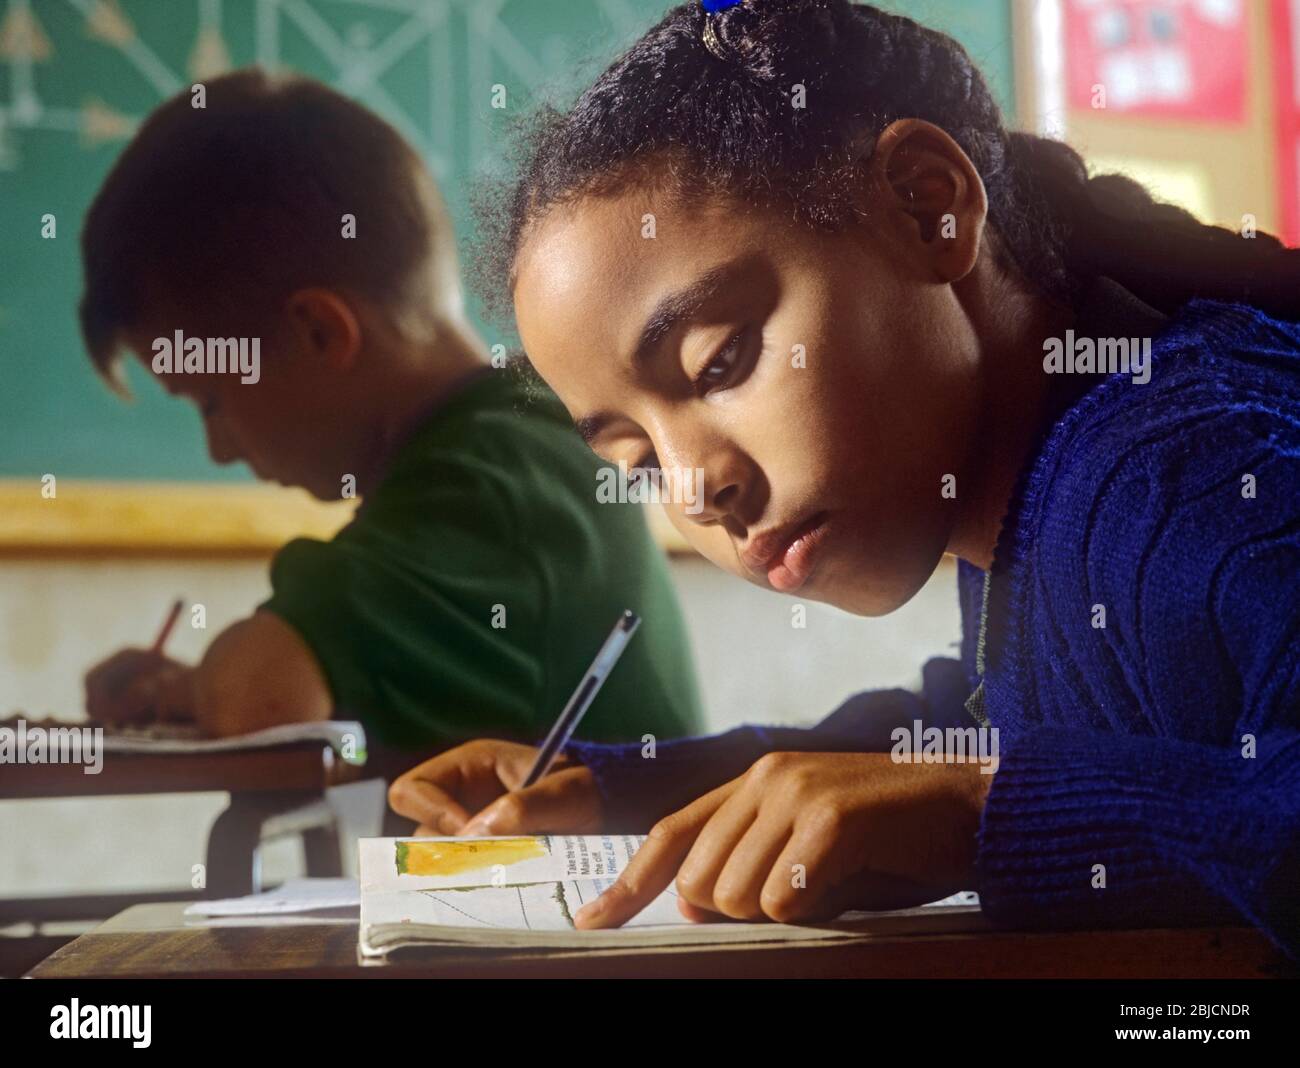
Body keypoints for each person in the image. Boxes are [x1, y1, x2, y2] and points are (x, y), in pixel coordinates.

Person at [388, 0, 1300, 954]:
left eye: (720, 363)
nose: (694, 490)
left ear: (925, 205)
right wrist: (629, 787)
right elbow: (974, 729)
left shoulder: (1177, 476)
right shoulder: (1043, 499)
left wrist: (978, 814)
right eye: (637, 457)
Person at [79, 69, 703, 750]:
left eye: (209, 401)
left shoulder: (489, 478)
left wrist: (181, 690)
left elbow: (262, 695)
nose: (218, 450)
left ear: (320, 333)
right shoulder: (511, 430)